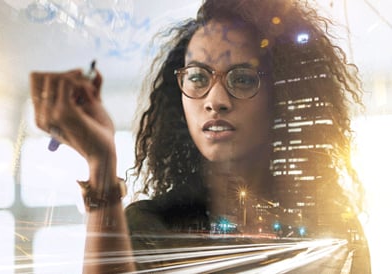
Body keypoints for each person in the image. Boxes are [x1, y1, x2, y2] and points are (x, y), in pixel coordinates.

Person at [30, 0, 371, 273]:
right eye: (197, 78)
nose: (216, 101)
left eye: (242, 79)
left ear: (280, 95)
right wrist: (100, 162)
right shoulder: (150, 228)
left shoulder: (333, 228)